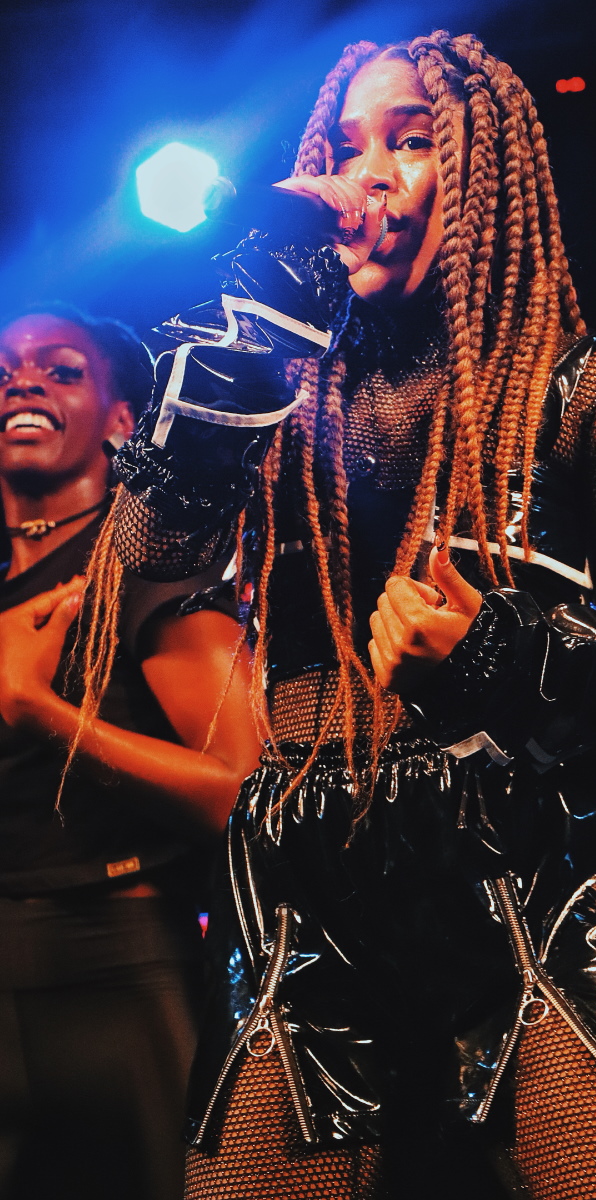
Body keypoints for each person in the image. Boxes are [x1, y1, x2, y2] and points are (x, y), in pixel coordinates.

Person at [112, 32, 596, 1200]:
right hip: (307, 882)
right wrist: (257, 328)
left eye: (410, 142)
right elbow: (149, 557)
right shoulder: (278, 388)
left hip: (542, 869)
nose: (368, 174)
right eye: (347, 146)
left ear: (483, 176)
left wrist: (504, 655)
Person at [0, 306, 261, 1200]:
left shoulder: (146, 561)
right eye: (6, 372)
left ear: (121, 419)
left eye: (60, 370)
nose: (22, 382)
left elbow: (245, 790)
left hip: (115, 966)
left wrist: (38, 711)